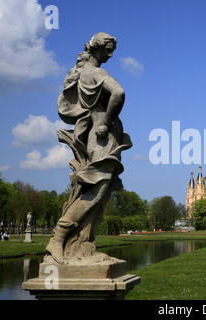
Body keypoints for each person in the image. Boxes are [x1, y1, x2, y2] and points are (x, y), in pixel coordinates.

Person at [46, 32, 132, 264]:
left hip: (92, 135)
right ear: (96, 48)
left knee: (98, 192)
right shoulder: (97, 73)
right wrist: (104, 122)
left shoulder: (79, 73)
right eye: (108, 49)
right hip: (101, 137)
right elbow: (119, 93)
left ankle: (83, 245)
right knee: (97, 191)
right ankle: (59, 238)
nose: (111, 55)